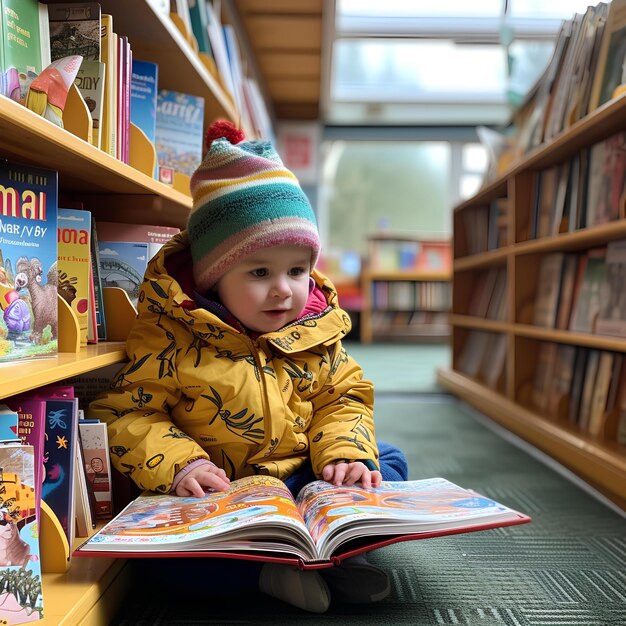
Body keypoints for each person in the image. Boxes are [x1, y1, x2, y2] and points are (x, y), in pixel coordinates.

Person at [89, 120, 408, 613]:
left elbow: (343, 396)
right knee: (154, 559)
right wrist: (182, 466)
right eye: (260, 272)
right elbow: (127, 413)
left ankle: (338, 553)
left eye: (297, 271)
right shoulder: (172, 334)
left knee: (386, 464)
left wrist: (344, 455)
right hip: (224, 495)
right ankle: (268, 574)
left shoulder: (315, 328)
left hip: (305, 478)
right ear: (214, 277)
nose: (284, 289)